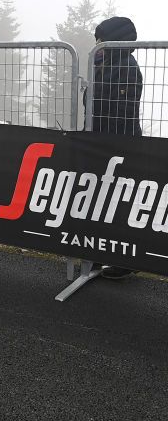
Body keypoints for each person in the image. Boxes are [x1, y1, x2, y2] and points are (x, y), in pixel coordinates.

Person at [89, 16, 143, 279]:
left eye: (100, 38)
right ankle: (98, 257)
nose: (97, 43)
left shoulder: (127, 67)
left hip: (120, 145)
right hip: (101, 142)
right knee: (100, 201)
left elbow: (120, 110)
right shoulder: (103, 64)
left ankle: (124, 262)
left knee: (119, 203)